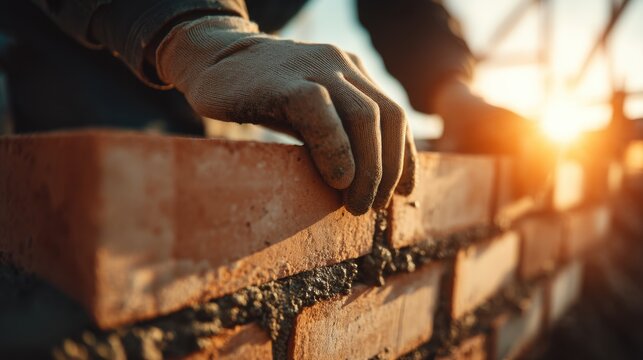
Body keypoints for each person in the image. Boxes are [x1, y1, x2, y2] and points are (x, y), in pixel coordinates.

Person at [0, 0, 530, 215]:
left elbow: (404, 9)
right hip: (71, 43)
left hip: (215, 68)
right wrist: (199, 32)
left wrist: (452, 92)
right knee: (84, 225)